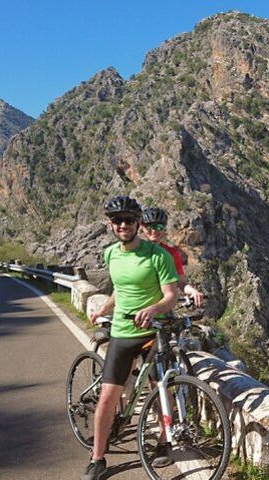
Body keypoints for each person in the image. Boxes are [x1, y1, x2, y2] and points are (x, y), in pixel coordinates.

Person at [82, 195, 179, 480]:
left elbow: (171, 295)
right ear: (110, 225)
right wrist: (103, 308)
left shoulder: (157, 256)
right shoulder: (111, 254)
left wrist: (154, 308)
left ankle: (164, 442)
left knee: (161, 391)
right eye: (117, 220)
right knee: (107, 399)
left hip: (151, 334)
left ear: (138, 223)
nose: (123, 225)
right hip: (122, 334)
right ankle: (97, 459)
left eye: (128, 220)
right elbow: (119, 290)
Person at [140, 207, 205, 307]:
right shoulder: (135, 251)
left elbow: (181, 282)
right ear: (142, 227)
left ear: (164, 228)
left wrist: (193, 291)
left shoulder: (171, 253)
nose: (153, 231)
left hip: (162, 306)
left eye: (158, 227)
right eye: (149, 226)